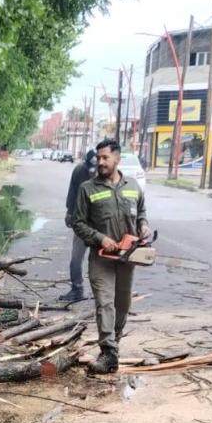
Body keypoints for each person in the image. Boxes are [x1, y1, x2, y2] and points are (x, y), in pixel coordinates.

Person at [72, 139, 151, 374]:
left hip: (128, 258)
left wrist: (144, 226)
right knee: (105, 304)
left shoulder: (133, 186)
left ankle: (113, 347)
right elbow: (78, 223)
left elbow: (142, 214)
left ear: (117, 158)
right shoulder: (88, 188)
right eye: (99, 158)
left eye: (105, 157)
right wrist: (99, 238)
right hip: (101, 259)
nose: (100, 162)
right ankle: (108, 352)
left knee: (122, 306)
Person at [61, 149, 97, 302]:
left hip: (100, 225)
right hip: (81, 223)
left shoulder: (107, 174)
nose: (91, 172)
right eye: (89, 169)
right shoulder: (78, 171)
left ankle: (103, 293)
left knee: (100, 262)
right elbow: (72, 192)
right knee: (76, 258)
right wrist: (69, 212)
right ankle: (77, 289)